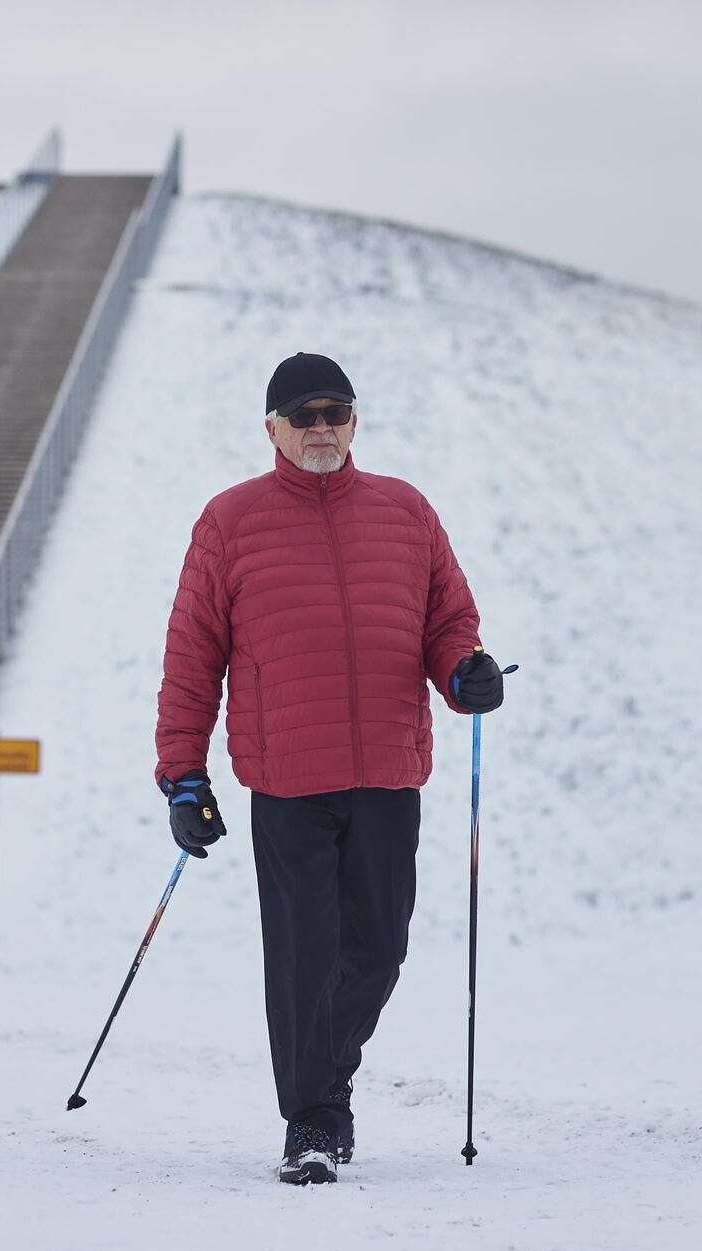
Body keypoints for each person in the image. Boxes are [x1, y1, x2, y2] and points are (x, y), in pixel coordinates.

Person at [154, 351, 505, 1185]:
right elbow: (192, 660)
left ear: (354, 422)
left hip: (388, 770)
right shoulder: (229, 522)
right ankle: (312, 1119)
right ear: (272, 428)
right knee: (304, 955)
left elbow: (448, 622)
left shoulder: (406, 511)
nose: (321, 428)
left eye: (334, 413)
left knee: (378, 950)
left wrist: (465, 673)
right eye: (303, 415)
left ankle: (326, 1077)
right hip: (287, 779)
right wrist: (184, 778)